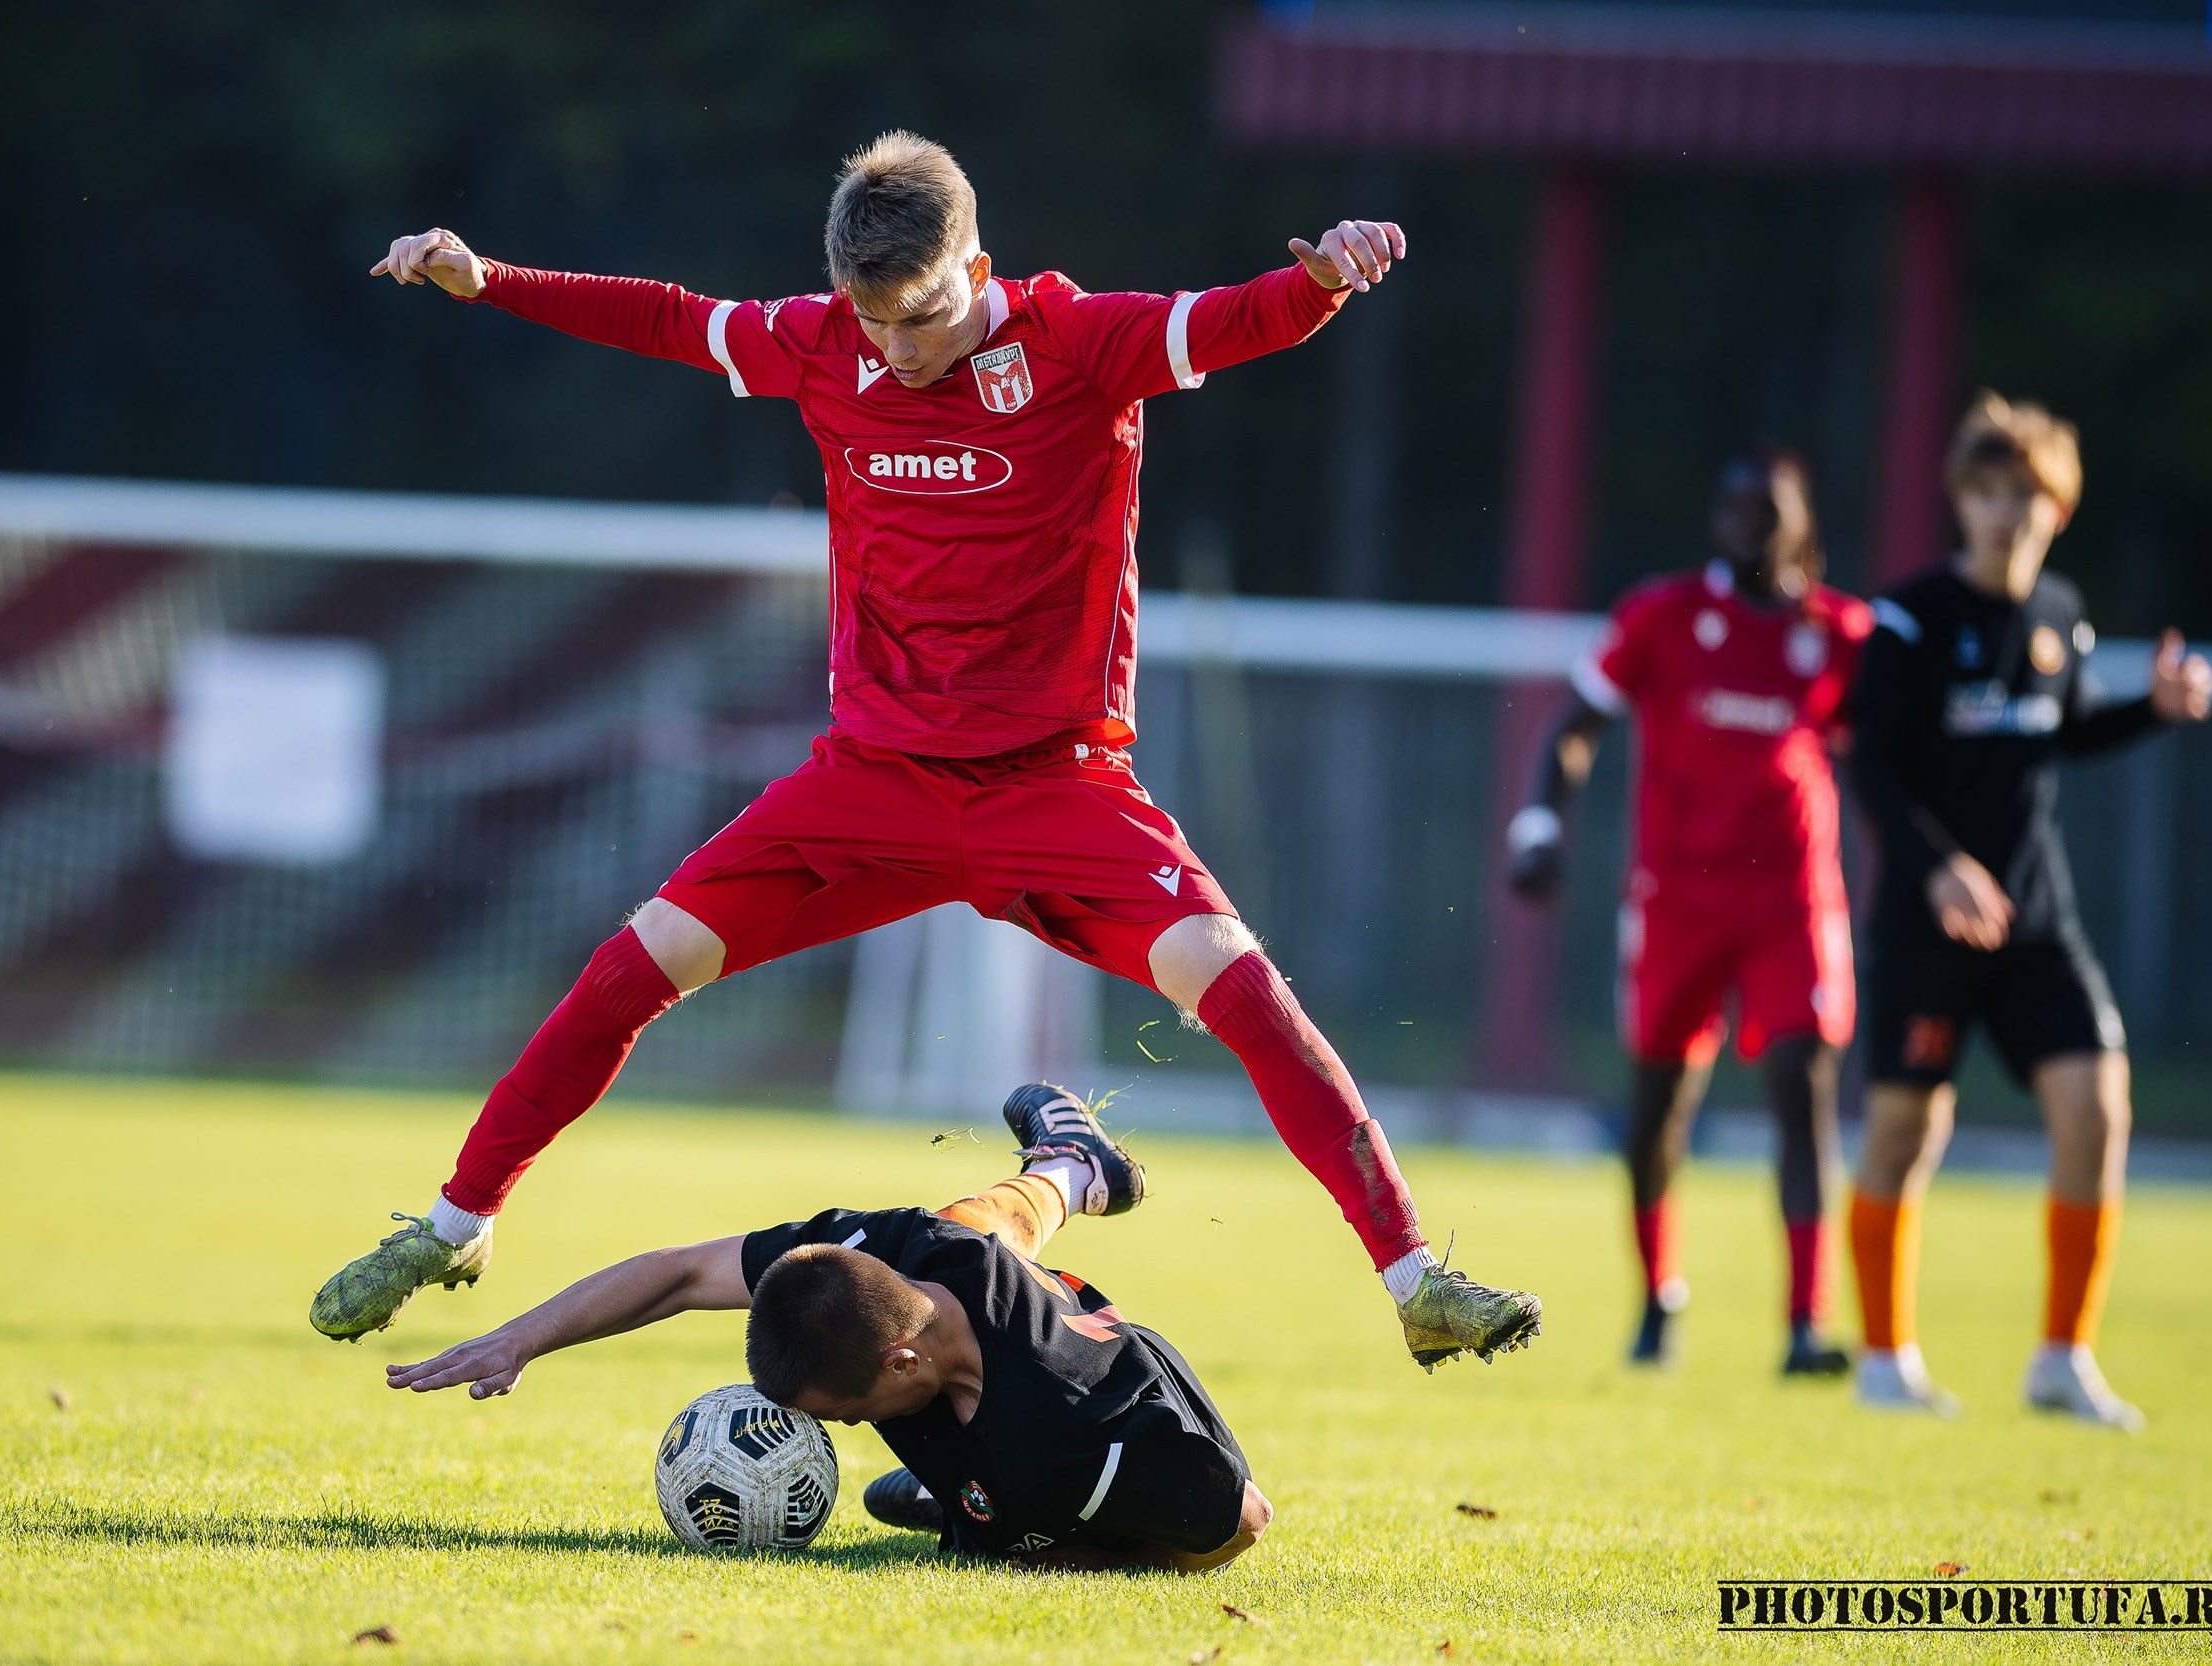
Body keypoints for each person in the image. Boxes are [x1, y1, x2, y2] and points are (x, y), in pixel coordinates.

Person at [315, 132, 1541, 1374]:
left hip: (1056, 785)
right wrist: (491, 279)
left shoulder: (1079, 343)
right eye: (873, 320)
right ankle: (455, 1227)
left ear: (978, 268)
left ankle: (1414, 1280)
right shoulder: (821, 345)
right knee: (634, 965)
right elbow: (671, 320)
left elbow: (1234, 319)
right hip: (870, 783)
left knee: (1246, 994)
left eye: (922, 317)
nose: (896, 349)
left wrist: (1322, 281)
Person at [387, 1084, 1269, 1571]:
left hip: (1098, 1419)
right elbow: (682, 1273)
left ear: (902, 1363)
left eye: (844, 1415)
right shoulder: (880, 1251)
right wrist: (520, 1340)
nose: (838, 1432)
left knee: (1019, 1537)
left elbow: (1242, 1523)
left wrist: (1059, 1554)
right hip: (972, 1294)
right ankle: (1075, 1167)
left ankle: (972, 1508)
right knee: (975, 1227)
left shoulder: (1071, 1437)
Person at [1844, 393, 2212, 1425]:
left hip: (2036, 920)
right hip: (1927, 925)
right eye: (1988, 491)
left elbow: (2063, 729)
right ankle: (1884, 1361)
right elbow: (1870, 767)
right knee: (1906, 1131)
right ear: (1960, 499)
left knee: (2098, 1108)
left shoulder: (2059, 613)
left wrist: (2153, 710)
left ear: (2060, 508)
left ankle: (2061, 1359)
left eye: (2027, 495)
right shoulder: (1909, 618)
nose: (2007, 513)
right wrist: (1938, 868)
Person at [1506, 450, 1869, 1375]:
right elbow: (1577, 724)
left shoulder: (1840, 635)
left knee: (1803, 1088)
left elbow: (1882, 763)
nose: (1748, 525)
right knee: (1661, 1101)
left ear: (1801, 522)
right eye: (1734, 507)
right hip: (1676, 900)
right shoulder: (1662, 618)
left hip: (1792, 901)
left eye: (1768, 509)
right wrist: (1540, 826)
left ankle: (1805, 1322)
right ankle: (1658, 1296)